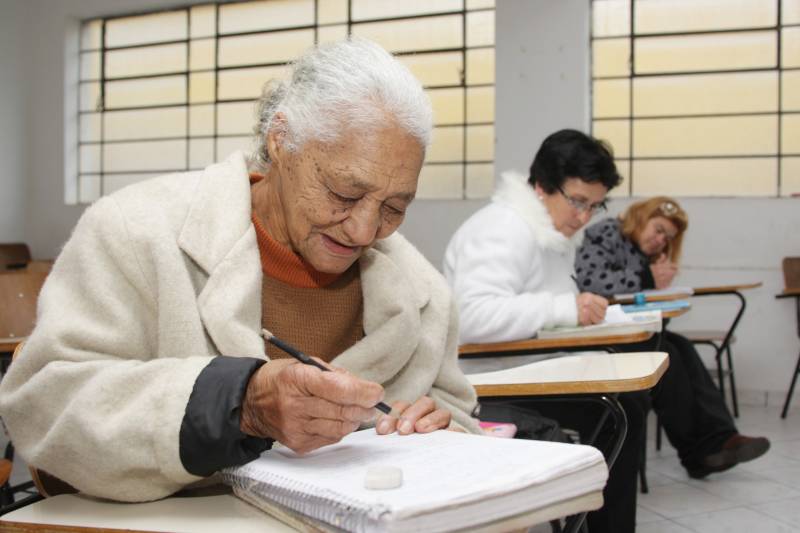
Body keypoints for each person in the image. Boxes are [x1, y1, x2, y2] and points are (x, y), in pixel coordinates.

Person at [0, 38, 481, 503]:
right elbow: (47, 403)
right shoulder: (135, 234)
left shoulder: (422, 293)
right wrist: (238, 404)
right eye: (343, 194)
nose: (363, 230)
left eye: (394, 207)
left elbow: (461, 419)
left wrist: (436, 431)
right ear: (280, 140)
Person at [444, 129, 643, 533]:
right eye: (577, 202)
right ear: (541, 187)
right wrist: (566, 308)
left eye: (595, 205)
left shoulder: (550, 231)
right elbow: (473, 316)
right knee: (618, 410)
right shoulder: (504, 227)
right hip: (489, 378)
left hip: (526, 366)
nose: (584, 217)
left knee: (625, 398)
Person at [575, 197, 769, 478]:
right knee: (668, 354)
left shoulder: (643, 253)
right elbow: (590, 281)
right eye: (658, 229)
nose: (660, 240)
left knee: (681, 346)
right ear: (641, 218)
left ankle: (719, 438)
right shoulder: (606, 232)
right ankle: (701, 451)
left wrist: (655, 283)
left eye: (667, 237)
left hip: (622, 329)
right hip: (595, 333)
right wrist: (647, 277)